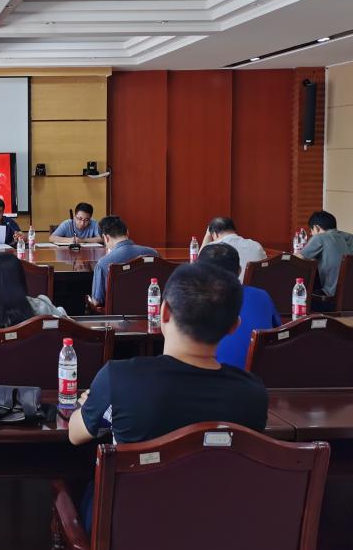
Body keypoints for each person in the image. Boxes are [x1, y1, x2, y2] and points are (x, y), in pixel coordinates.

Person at [69, 263, 269, 530]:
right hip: (217, 532)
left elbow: (75, 434)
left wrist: (89, 405)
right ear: (234, 326)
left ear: (163, 311)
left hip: (131, 534)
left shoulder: (119, 378)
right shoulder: (253, 394)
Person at [198, 243, 280, 369]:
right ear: (239, 271)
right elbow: (277, 332)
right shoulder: (262, 296)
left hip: (211, 376)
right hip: (260, 377)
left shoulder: (192, 302)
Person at [87, 216, 159, 309]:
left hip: (117, 316)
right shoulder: (153, 253)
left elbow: (97, 301)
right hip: (150, 312)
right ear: (127, 232)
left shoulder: (103, 263)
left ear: (106, 238)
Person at [296, 210, 353, 297]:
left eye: (311, 230)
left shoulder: (320, 238)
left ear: (316, 228)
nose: (311, 234)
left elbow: (297, 260)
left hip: (332, 294)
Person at [200, 216, 267, 280]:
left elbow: (198, 266)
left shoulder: (213, 248)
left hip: (229, 287)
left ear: (215, 234)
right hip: (257, 286)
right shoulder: (256, 245)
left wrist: (207, 236)